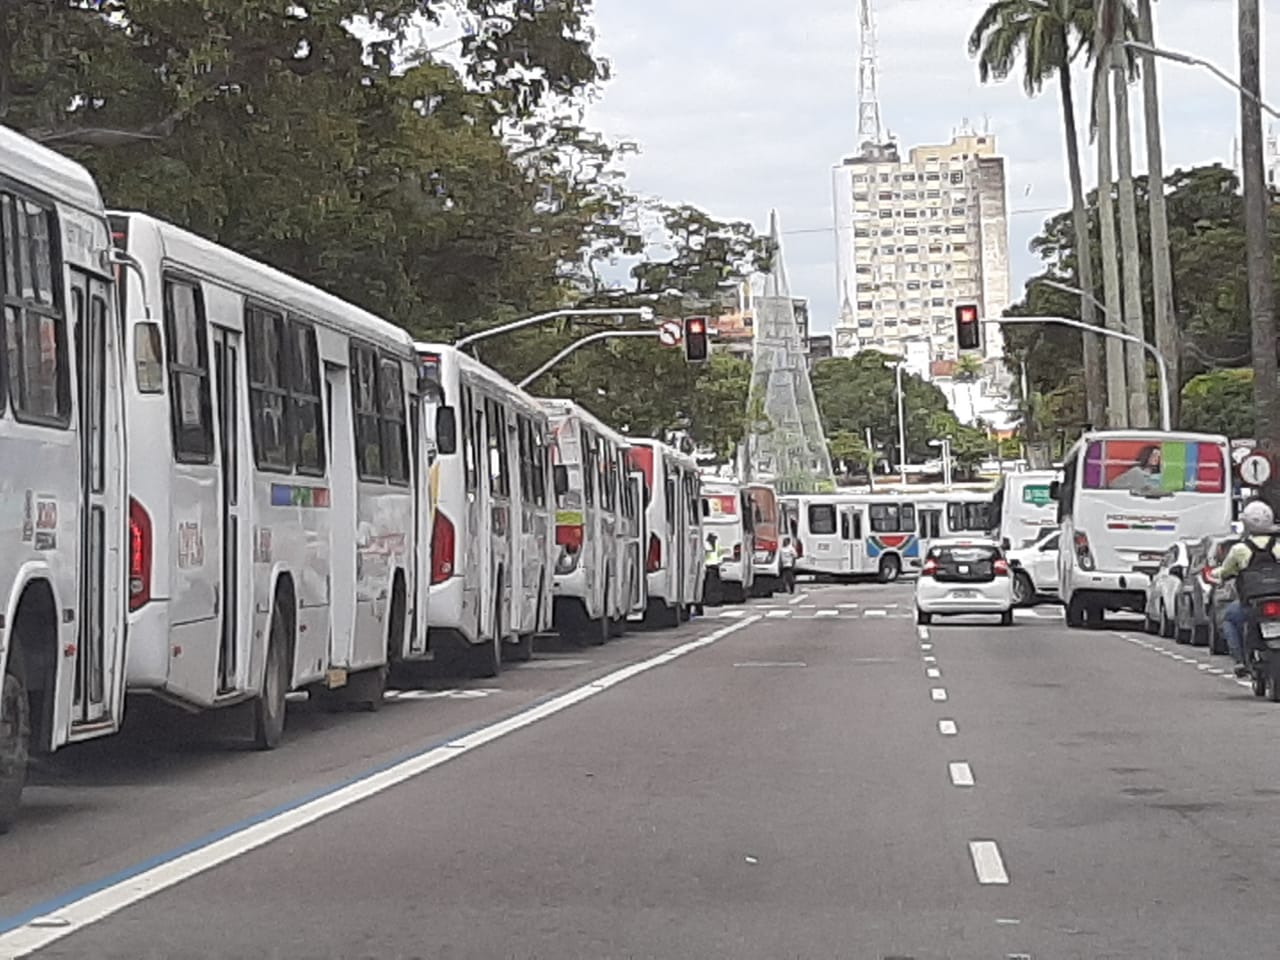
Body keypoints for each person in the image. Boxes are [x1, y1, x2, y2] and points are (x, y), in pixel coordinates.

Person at [1209, 500, 1280, 678]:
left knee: (1230, 618)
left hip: (1252, 603)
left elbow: (1225, 571)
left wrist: (1216, 575)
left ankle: (1240, 660)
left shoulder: (1240, 549)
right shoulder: (1278, 546)